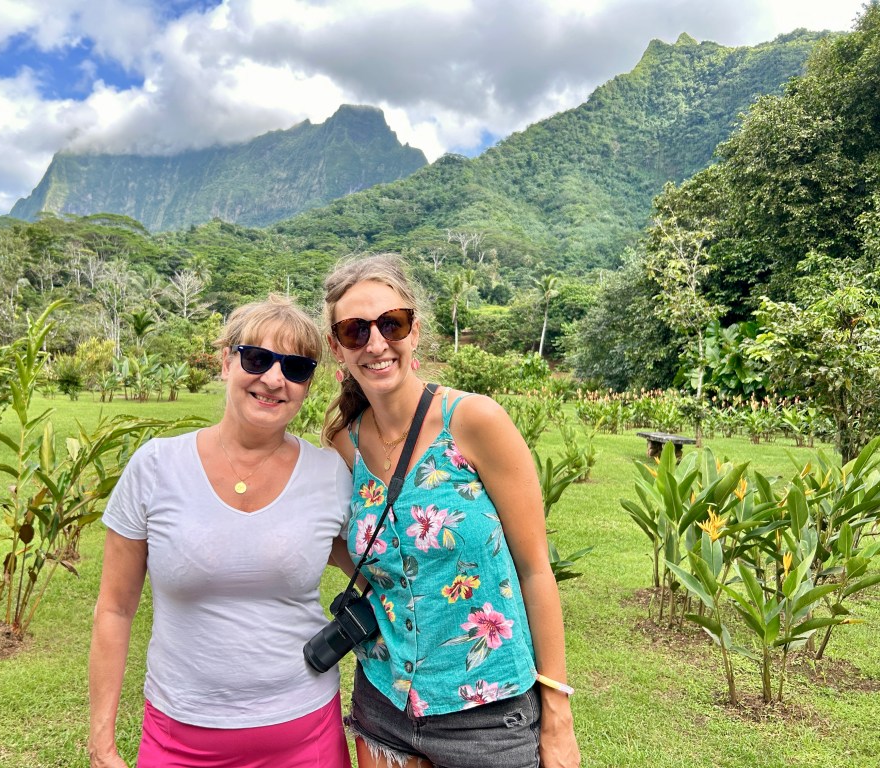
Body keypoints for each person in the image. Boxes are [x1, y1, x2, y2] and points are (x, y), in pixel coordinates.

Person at [321, 255, 580, 768]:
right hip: (384, 699)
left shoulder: (473, 421)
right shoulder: (343, 444)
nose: (375, 343)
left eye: (390, 323)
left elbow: (534, 569)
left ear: (414, 331)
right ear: (337, 347)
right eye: (355, 330)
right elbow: (349, 546)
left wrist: (557, 716)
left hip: (485, 711)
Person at [88, 295, 353, 768]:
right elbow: (114, 607)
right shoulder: (156, 466)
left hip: (305, 732)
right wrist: (102, 741)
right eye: (257, 358)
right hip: (180, 736)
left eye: (296, 368)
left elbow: (385, 573)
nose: (274, 379)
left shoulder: (330, 474)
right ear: (226, 359)